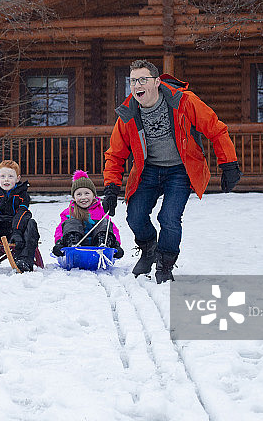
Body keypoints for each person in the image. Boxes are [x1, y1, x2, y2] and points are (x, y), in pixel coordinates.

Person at [101, 60, 241, 283]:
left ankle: (165, 262)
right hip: (148, 170)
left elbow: (215, 128)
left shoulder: (184, 101)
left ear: (156, 82)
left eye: (143, 80)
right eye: (133, 81)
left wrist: (229, 164)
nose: (138, 85)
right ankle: (148, 248)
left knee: (169, 217)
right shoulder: (127, 115)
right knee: (135, 216)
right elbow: (115, 154)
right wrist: (110, 188)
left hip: (179, 170)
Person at [51, 170, 124, 259]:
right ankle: (72, 242)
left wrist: (117, 244)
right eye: (79, 194)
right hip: (77, 245)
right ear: (74, 197)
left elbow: (112, 228)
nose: (83, 197)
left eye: (87, 193)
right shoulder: (69, 212)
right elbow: (60, 230)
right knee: (71, 222)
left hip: (96, 245)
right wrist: (59, 243)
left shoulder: (101, 211)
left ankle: (104, 243)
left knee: (105, 222)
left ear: (93, 195)